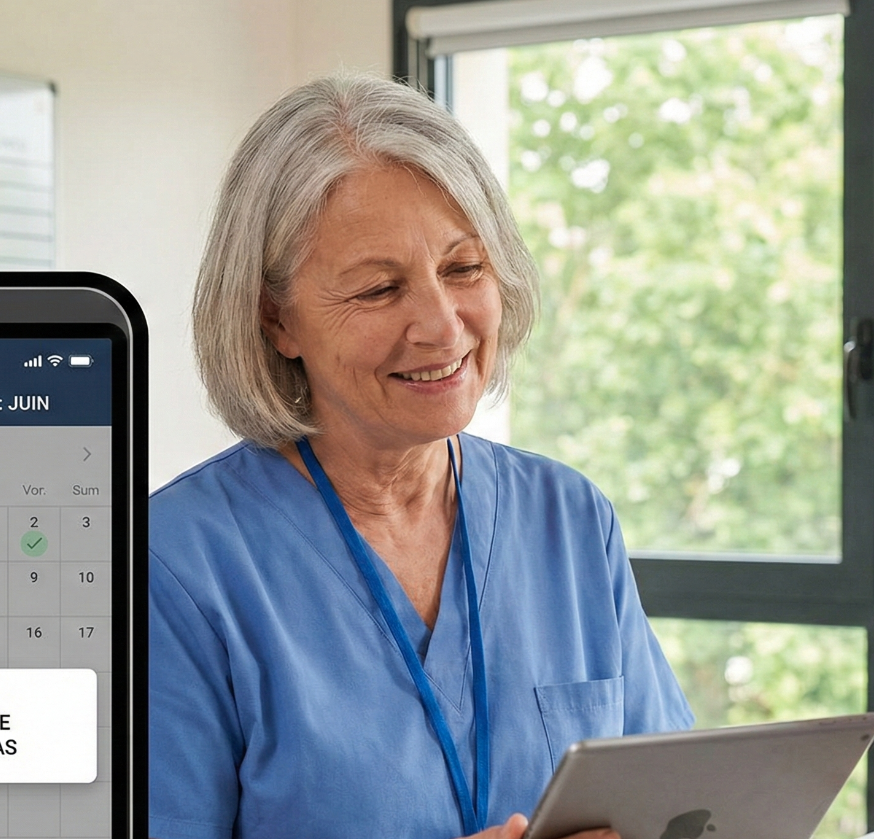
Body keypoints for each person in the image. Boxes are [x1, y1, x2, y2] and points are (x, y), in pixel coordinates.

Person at [148, 73, 693, 839]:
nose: (443, 326)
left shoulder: (569, 519)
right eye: (378, 289)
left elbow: (677, 803)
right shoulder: (172, 565)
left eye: (464, 269)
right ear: (277, 322)